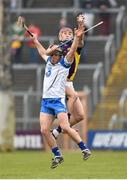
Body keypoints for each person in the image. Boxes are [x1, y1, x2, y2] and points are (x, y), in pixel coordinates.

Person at [31, 24, 91, 169]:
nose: (57, 57)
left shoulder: (65, 64)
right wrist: (36, 40)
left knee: (67, 122)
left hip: (59, 99)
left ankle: (83, 148)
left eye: (58, 55)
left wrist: (77, 36)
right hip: (46, 102)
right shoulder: (48, 63)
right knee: (44, 130)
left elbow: (73, 49)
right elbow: (42, 52)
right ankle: (57, 155)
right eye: (55, 54)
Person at [51, 14, 88, 139]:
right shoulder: (57, 48)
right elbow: (47, 54)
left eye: (69, 33)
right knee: (73, 96)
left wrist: (80, 26)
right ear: (59, 37)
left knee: (80, 116)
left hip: (69, 82)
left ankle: (57, 131)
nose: (67, 35)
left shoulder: (75, 46)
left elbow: (81, 41)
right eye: (64, 33)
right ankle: (65, 118)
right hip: (60, 82)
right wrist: (52, 49)